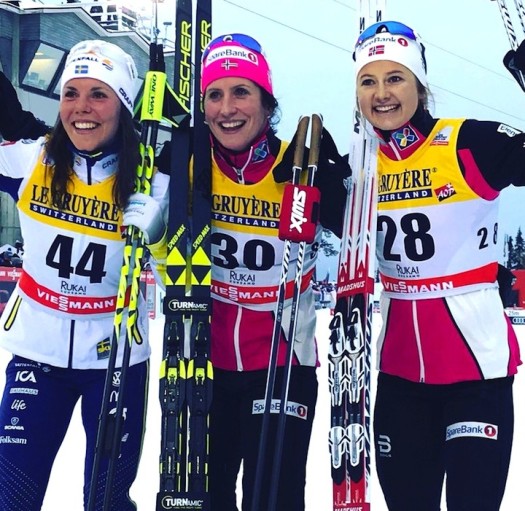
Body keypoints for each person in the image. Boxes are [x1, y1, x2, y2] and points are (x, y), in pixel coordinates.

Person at [150, 33, 348, 510]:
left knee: (272, 498)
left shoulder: (298, 165)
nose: (226, 108)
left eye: (241, 91)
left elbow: (363, 232)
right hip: (200, 363)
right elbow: (159, 259)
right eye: (214, 94)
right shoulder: (184, 161)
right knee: (203, 497)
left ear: (266, 101)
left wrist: (336, 182)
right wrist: (156, 229)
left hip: (281, 365)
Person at [352, 21, 523, 510]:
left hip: (475, 374)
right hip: (400, 375)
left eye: (395, 78)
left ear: (420, 85)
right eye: (369, 81)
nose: (382, 94)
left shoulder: (467, 142)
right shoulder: (361, 166)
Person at [0, 40, 169, 510]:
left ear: (124, 105)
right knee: (11, 497)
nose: (82, 108)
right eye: (71, 93)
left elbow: (184, 274)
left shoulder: (154, 180)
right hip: (37, 353)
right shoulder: (31, 160)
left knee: (107, 501)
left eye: (99, 93)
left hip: (116, 357)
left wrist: (159, 237)